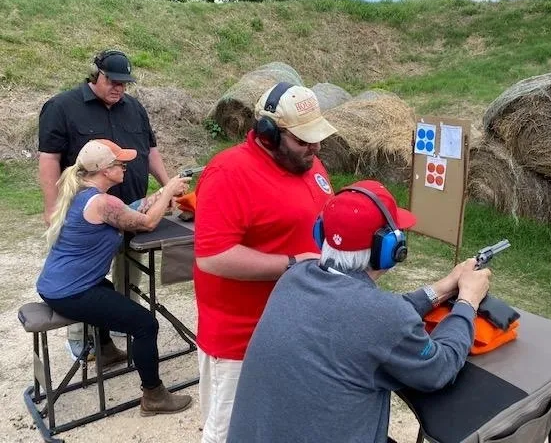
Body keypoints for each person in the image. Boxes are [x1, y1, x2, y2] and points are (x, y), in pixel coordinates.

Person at [227, 180, 492, 443]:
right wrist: (468, 301)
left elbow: (371, 320)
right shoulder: (381, 319)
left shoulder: (295, 278)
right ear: (390, 249)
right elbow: (439, 368)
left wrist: (442, 288)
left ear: (322, 234)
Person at [194, 82, 338, 442]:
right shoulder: (229, 172)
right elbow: (213, 257)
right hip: (242, 340)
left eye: (316, 138)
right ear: (270, 134)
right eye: (303, 140)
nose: (315, 148)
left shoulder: (309, 162)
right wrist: (292, 263)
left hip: (298, 329)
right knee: (230, 433)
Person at [36, 139, 192, 416]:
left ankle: (106, 351)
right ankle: (154, 395)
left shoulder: (83, 192)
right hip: (70, 291)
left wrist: (153, 199)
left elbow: (126, 211)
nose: (125, 167)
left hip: (58, 284)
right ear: (105, 169)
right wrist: (167, 190)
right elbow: (146, 223)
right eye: (120, 163)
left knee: (106, 289)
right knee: (146, 324)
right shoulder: (102, 201)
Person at [38, 49, 171, 359]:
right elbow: (49, 160)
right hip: (88, 215)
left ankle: (120, 324)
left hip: (131, 206)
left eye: (124, 83)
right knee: (82, 276)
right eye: (113, 81)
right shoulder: (62, 106)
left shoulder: (135, 108)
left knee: (131, 270)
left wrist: (167, 186)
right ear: (95, 75)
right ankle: (83, 341)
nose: (119, 88)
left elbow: (150, 151)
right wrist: (51, 207)